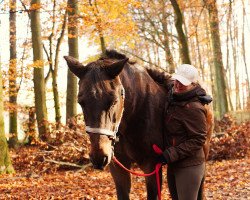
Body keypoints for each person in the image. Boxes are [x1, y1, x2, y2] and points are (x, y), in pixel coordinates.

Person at [157, 64, 212, 200]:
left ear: (193, 84)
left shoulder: (194, 108)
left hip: (189, 166)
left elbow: (198, 139)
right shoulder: (173, 97)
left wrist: (171, 154)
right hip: (174, 164)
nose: (178, 85)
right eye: (177, 80)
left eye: (183, 83)